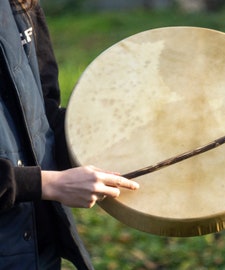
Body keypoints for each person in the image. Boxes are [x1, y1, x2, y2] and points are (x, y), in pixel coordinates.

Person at [0, 0, 140, 269]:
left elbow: (43, 114)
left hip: (36, 248)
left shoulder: (20, 4)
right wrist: (46, 183)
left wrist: (120, 130)